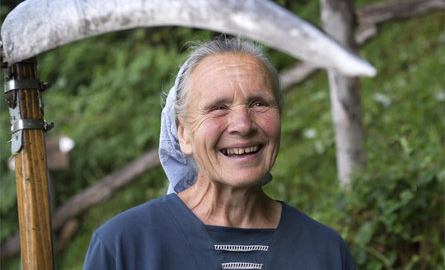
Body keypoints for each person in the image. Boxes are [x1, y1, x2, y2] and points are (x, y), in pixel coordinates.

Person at [82, 38, 356, 270]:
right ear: (183, 135)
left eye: (259, 103)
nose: (243, 124)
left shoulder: (325, 251)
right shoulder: (124, 247)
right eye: (218, 108)